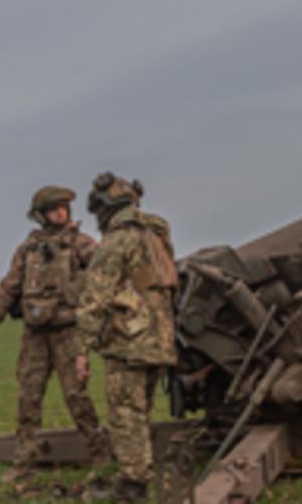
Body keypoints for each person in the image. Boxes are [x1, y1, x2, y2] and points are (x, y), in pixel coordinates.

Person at [0, 185, 109, 483]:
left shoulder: (81, 244)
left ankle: (100, 454)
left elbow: (107, 273)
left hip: (68, 332)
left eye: (64, 207)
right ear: (40, 215)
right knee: (28, 397)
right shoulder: (27, 250)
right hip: (34, 334)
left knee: (77, 396)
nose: (60, 213)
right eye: (54, 209)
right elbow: (9, 286)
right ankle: (24, 461)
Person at [74, 172, 178, 503]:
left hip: (129, 341)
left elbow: (96, 298)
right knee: (140, 410)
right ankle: (139, 470)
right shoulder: (156, 235)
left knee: (124, 414)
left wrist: (81, 348)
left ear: (105, 208)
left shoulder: (117, 241)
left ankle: (134, 485)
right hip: (160, 337)